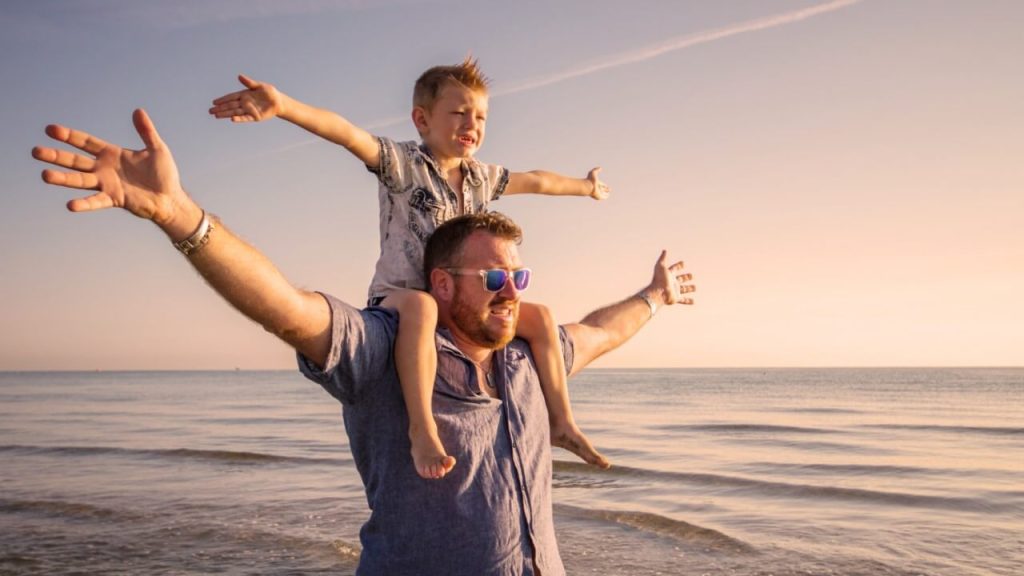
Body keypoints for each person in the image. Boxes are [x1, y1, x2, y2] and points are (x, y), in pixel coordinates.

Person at [31, 109, 696, 575]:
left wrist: (655, 296)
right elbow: (291, 312)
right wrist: (181, 217)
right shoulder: (387, 348)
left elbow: (600, 332)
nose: (511, 290)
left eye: (518, 275)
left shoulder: (526, 357)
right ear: (442, 283)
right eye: (494, 276)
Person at [207, 58, 612, 479]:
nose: (471, 122)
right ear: (422, 119)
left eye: (480, 116)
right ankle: (422, 428)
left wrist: (586, 187)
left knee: (541, 317)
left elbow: (537, 181)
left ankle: (561, 421)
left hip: (459, 300)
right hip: (400, 297)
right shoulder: (402, 164)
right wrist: (283, 105)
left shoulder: (481, 177)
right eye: (457, 112)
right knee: (422, 308)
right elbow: (346, 134)